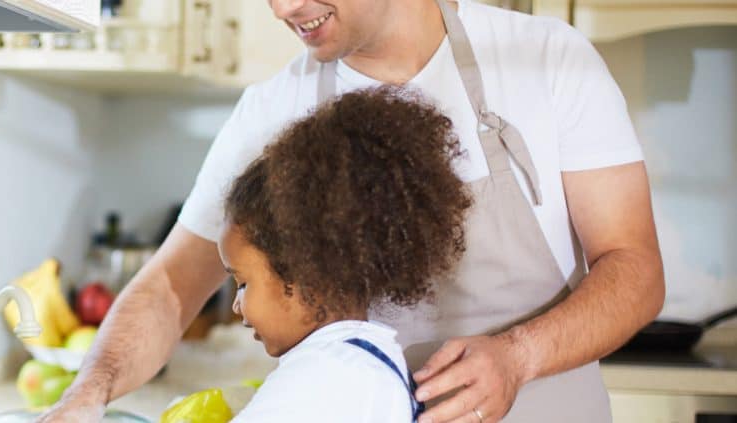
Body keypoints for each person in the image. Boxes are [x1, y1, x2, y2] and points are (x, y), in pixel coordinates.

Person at [38, 0, 664, 421]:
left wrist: (519, 356)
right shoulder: (272, 112)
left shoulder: (545, 58)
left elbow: (634, 268)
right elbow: (173, 285)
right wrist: (84, 395)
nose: (284, 8)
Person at [220, 87, 471, 422]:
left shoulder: (324, 379)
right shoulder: (362, 364)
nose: (237, 306)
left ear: (305, 274)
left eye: (242, 283)